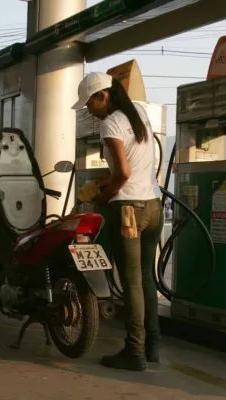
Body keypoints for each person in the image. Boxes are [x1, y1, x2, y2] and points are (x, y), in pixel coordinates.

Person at [72, 72, 164, 372]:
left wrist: (103, 196)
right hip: (153, 205)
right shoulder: (137, 114)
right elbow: (135, 166)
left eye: (90, 103)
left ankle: (134, 352)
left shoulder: (110, 123)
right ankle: (152, 346)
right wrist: (106, 182)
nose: (89, 110)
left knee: (131, 282)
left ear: (104, 96)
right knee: (146, 278)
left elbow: (123, 173)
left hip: (128, 209)